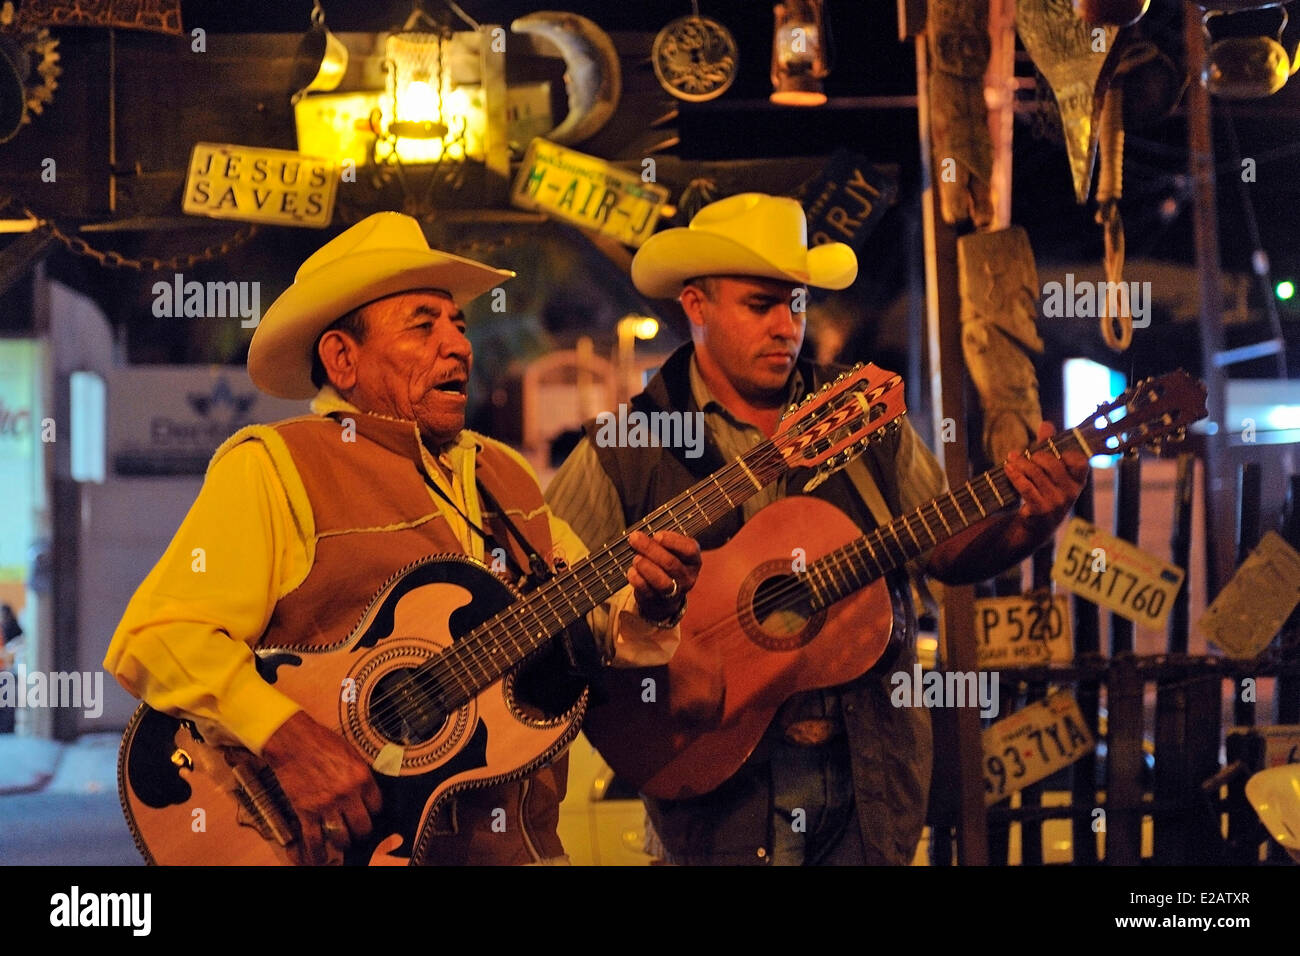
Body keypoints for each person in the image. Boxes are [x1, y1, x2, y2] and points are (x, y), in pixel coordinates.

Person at [105, 212, 701, 866]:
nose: (459, 345)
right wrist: (288, 740)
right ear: (342, 357)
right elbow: (158, 638)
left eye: (460, 324)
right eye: (424, 325)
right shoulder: (277, 464)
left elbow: (595, 619)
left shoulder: (506, 474)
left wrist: (652, 603)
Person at [545, 193, 1090, 865]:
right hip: (714, 792)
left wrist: (1038, 519)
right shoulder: (629, 443)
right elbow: (550, 593)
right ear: (696, 306)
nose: (786, 326)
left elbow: (944, 552)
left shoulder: (857, 411)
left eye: (797, 304)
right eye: (761, 304)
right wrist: (655, 642)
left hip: (870, 775)